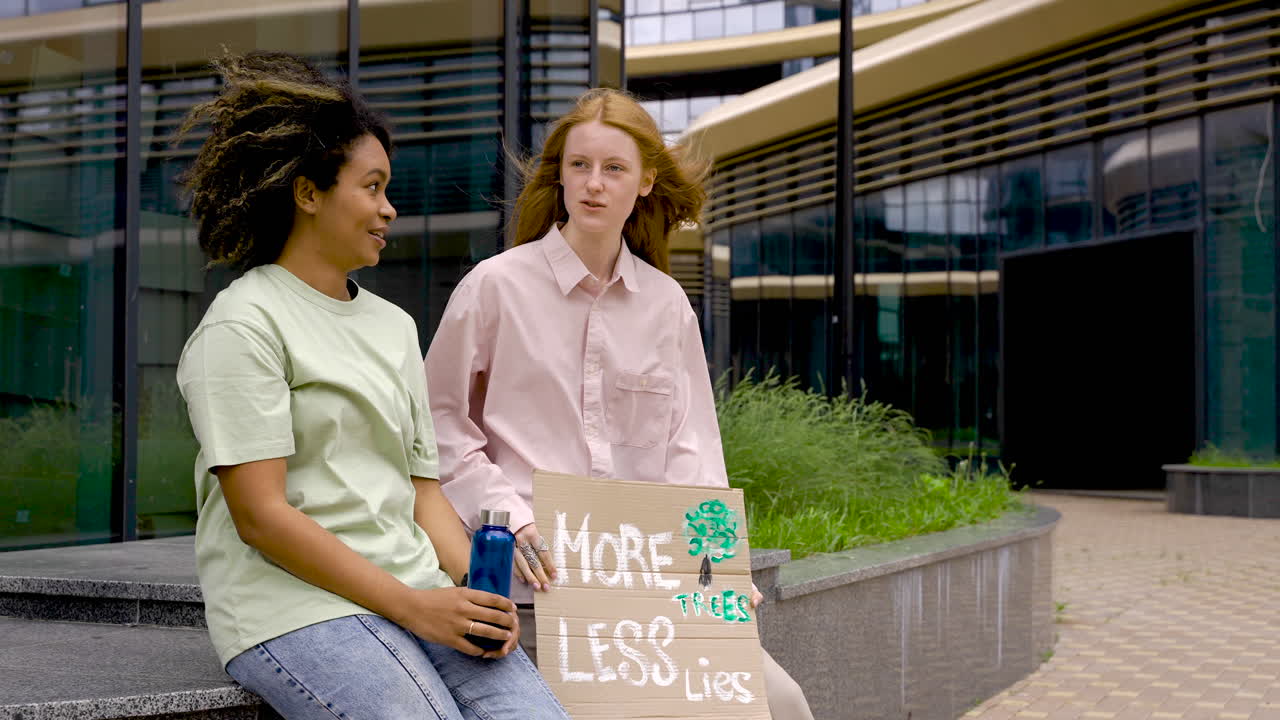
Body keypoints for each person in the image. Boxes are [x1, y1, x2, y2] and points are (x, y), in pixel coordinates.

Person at [174, 51, 568, 720]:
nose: (389, 209)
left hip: (413, 591)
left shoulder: (391, 327)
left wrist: (477, 589)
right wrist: (414, 605)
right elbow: (261, 517)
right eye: (372, 186)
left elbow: (423, 493)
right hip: (293, 606)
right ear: (308, 194)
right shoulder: (244, 323)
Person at [425, 87, 816, 720]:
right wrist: (508, 518)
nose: (594, 185)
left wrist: (720, 567)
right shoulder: (494, 287)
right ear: (560, 177)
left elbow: (694, 455)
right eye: (579, 166)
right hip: (531, 590)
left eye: (614, 169)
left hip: (650, 588)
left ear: (645, 182)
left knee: (781, 702)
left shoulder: (667, 307)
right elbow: (438, 425)